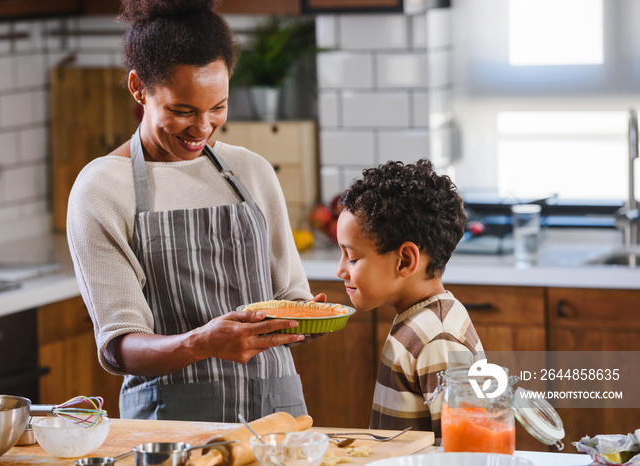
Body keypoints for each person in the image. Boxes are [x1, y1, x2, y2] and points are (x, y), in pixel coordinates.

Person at [66, 0, 324, 423]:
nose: (202, 129)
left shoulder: (251, 172)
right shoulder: (102, 189)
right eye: (182, 111)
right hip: (170, 425)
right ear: (138, 88)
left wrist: (301, 320)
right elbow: (120, 346)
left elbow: (289, 295)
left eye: (217, 108)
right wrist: (201, 343)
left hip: (276, 416)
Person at [335, 159, 484, 437]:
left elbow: (466, 449)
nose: (340, 270)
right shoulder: (418, 320)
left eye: (352, 257)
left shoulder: (438, 338)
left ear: (405, 260)